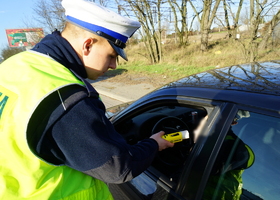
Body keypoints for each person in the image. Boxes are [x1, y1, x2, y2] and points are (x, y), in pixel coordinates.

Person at [0, 0, 174, 199]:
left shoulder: (14, 66)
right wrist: (153, 144)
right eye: (111, 55)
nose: (113, 65)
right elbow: (118, 168)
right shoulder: (66, 98)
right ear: (88, 45)